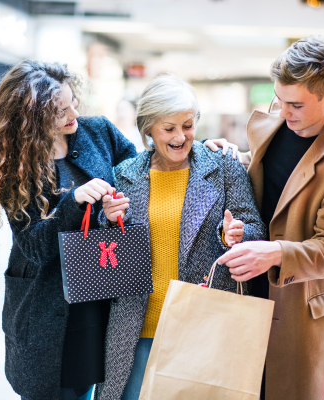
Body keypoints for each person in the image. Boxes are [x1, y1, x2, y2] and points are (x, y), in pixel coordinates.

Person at [0, 61, 239, 400]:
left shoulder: (97, 132)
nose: (74, 112)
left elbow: (145, 170)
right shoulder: (15, 166)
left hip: (101, 297)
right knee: (54, 391)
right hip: (46, 308)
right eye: (60, 110)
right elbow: (33, 247)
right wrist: (73, 203)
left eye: (73, 101)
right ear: (34, 117)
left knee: (98, 386)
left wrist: (198, 150)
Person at [95, 74, 266, 400]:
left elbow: (254, 228)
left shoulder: (223, 168)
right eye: (168, 128)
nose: (180, 136)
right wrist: (109, 219)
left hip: (202, 327)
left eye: (187, 125)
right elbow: (108, 256)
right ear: (148, 129)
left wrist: (237, 234)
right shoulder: (125, 175)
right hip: (136, 330)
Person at [217, 35, 324, 400]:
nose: (283, 112)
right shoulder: (277, 120)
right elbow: (263, 181)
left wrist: (276, 252)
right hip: (247, 292)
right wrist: (234, 159)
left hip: (300, 315)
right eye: (278, 100)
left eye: (295, 104)